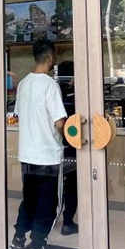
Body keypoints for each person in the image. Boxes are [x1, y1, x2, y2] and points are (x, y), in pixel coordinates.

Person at [12, 39, 67, 249]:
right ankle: (37, 244)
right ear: (50, 57)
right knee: (47, 202)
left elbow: (18, 115)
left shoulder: (24, 84)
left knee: (29, 199)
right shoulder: (50, 85)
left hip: (27, 154)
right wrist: (71, 136)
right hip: (47, 155)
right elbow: (59, 122)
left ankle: (18, 238)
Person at [56, 60, 78, 235]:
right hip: (71, 147)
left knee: (56, 184)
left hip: (54, 147)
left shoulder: (55, 94)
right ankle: (68, 222)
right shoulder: (75, 97)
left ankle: (51, 219)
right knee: (71, 184)